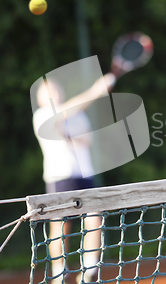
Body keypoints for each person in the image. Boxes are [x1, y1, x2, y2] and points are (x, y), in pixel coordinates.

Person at [33, 73, 115, 284]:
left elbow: (86, 139)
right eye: (47, 92)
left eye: (55, 89)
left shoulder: (78, 115)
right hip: (60, 177)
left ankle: (88, 271)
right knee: (60, 225)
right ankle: (59, 272)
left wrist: (70, 134)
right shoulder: (41, 116)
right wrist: (96, 91)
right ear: (41, 98)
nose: (53, 94)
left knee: (95, 218)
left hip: (85, 176)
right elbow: (65, 118)